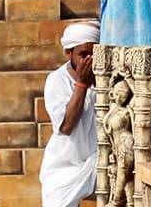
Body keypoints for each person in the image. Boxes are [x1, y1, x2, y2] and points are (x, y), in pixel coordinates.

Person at [39, 21, 99, 207]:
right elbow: (66, 127)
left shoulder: (106, 77)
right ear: (68, 53)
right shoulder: (56, 80)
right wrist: (82, 84)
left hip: (101, 162)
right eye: (83, 55)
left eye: (93, 54)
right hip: (64, 166)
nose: (89, 60)